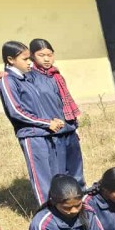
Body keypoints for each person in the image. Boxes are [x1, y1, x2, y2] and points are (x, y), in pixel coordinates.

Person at [0, 41, 71, 204]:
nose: (29, 62)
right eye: (25, 59)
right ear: (10, 59)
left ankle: (59, 209)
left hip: (46, 132)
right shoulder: (7, 80)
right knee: (42, 178)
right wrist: (46, 123)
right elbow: (16, 111)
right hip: (32, 135)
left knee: (55, 176)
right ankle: (46, 214)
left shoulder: (26, 78)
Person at [29, 38, 85, 188]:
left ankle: (81, 200)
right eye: (41, 55)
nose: (47, 59)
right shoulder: (29, 77)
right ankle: (62, 204)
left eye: (50, 54)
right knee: (59, 174)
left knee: (77, 172)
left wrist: (75, 127)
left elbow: (65, 102)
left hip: (69, 129)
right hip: (53, 133)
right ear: (32, 56)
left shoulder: (57, 76)